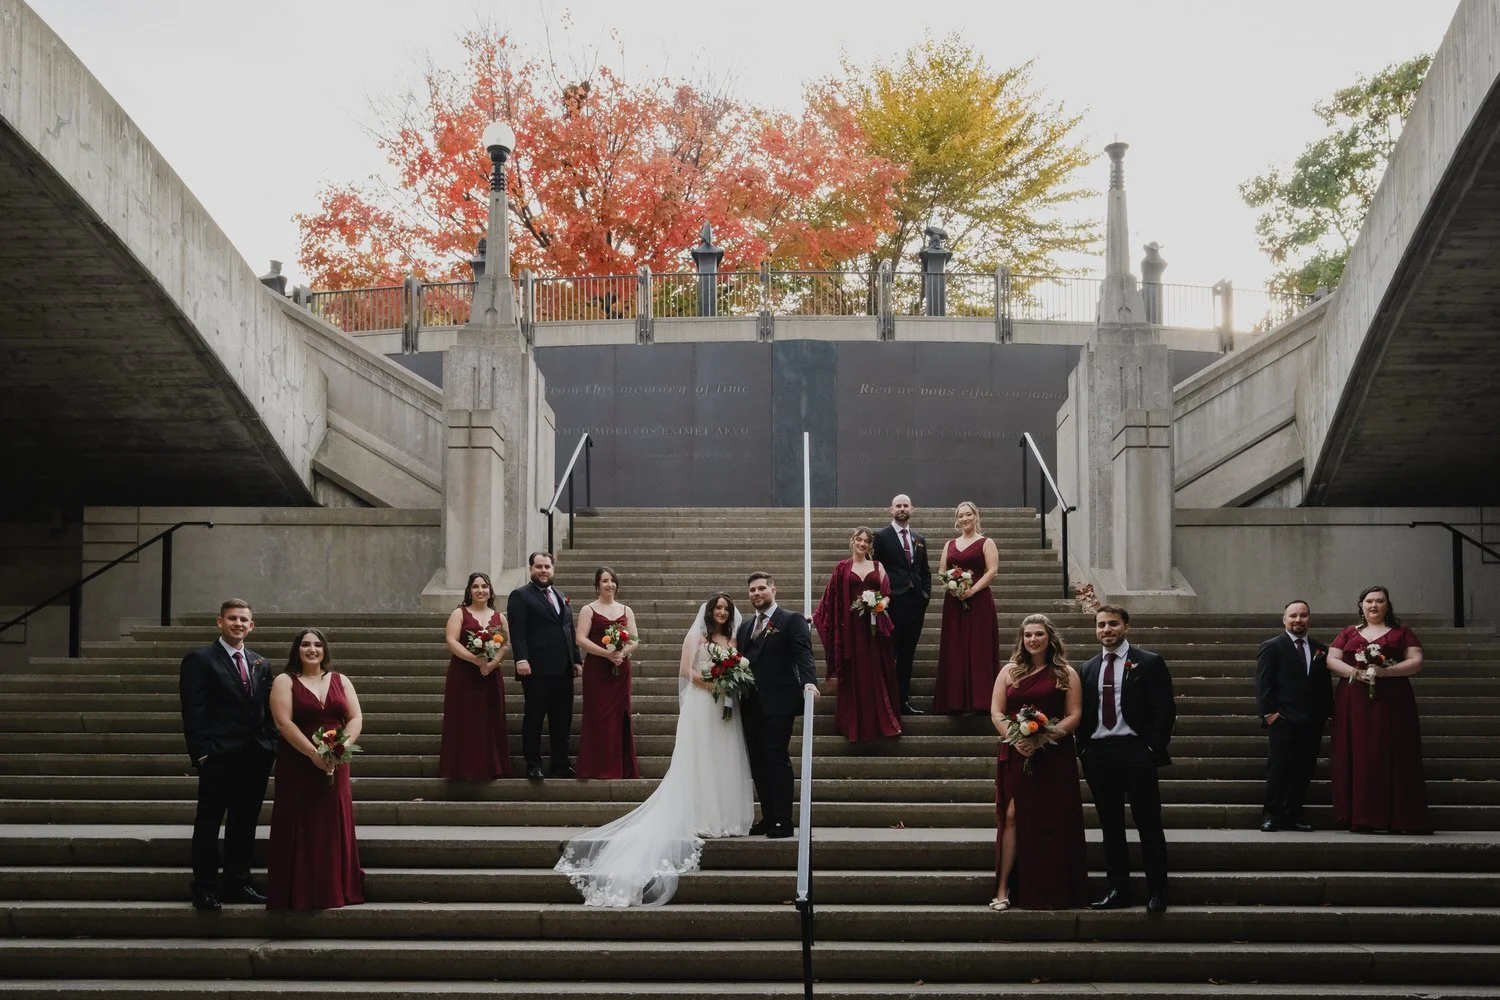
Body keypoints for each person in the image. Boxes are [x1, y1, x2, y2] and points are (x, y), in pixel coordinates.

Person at [556, 593, 754, 906]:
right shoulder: (698, 637)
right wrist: (712, 684)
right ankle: (702, 815)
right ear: (709, 612)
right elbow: (685, 671)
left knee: (724, 759)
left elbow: (738, 667)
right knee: (701, 759)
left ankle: (724, 816)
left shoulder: (732, 639)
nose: (721, 612)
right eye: (717, 608)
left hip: (725, 707)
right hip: (703, 705)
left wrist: (730, 682)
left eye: (725, 609)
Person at [178, 599, 277, 911]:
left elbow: (267, 711)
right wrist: (202, 754)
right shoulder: (200, 660)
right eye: (232, 618)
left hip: (255, 757)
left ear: (252, 626)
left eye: (243, 619)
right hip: (218, 757)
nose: (238, 623)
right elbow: (194, 710)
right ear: (219, 622)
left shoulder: (261, 662)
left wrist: (270, 746)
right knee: (208, 823)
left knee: (244, 823)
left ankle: (238, 882)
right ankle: (205, 888)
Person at [1077, 604, 1176, 913]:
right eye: (1101, 625)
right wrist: (1084, 750)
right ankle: (1118, 889)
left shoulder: (1148, 662)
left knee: (1148, 823)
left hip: (1136, 752)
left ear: (1126, 627)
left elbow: (1164, 710)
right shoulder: (1088, 668)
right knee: (1110, 826)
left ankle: (1157, 891)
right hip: (1099, 755)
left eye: (1113, 624)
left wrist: (1152, 749)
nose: (1107, 630)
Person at [989, 614, 1087, 911]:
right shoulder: (1009, 671)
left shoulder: (1065, 673)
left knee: (1052, 821)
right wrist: (1017, 738)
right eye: (1028, 634)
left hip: (1054, 755)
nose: (1033, 639)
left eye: (1039, 634)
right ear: (1022, 639)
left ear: (1049, 638)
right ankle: (1004, 888)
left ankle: (1055, 890)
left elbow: (1075, 715)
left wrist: (1043, 739)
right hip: (1015, 752)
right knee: (1011, 816)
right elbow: (996, 711)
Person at [266, 629, 365, 910]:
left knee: (333, 821)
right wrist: (313, 754)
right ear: (296, 649)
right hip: (298, 761)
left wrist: (340, 748)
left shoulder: (340, 680)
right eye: (306, 644)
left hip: (336, 758)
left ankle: (335, 887)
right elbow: (283, 723)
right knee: (302, 820)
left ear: (325, 650)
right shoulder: (284, 681)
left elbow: (355, 717)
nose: (312, 649)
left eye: (317, 645)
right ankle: (302, 891)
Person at [1327, 585, 1432, 834]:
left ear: (1387, 605)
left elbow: (1416, 661)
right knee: (1360, 751)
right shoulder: (1349, 632)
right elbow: (1332, 659)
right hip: (1355, 699)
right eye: (1369, 601)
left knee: (1394, 750)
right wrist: (1354, 671)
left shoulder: (1401, 632)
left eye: (1379, 601)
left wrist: (1385, 672)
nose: (1374, 605)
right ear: (1361, 605)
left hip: (1393, 699)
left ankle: (1401, 817)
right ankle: (1362, 816)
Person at [736, 572, 819, 838]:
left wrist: (810, 682)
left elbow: (803, 653)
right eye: (752, 590)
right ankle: (768, 816)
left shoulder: (791, 619)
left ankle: (784, 819)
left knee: (776, 757)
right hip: (750, 703)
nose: (756, 593)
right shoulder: (745, 627)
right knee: (758, 761)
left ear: (773, 590)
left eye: (761, 588)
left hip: (779, 702)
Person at [812, 526, 902, 743]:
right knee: (854, 673)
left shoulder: (877, 566)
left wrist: (880, 604)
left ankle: (883, 722)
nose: (862, 544)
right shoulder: (842, 568)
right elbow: (829, 598)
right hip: (850, 630)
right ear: (852, 541)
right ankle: (853, 725)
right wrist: (814, 616)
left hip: (874, 629)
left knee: (875, 670)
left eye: (866, 541)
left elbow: (888, 594)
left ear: (870, 545)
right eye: (858, 539)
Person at [1254, 600, 1331, 832]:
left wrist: (1328, 714)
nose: (1299, 620)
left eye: (1304, 615)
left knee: (1304, 769)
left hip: (1311, 720)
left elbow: (1324, 685)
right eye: (1293, 615)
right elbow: (1263, 682)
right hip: (1283, 718)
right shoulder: (1272, 646)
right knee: (1278, 768)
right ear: (1284, 619)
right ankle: (1271, 815)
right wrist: (1269, 713)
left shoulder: (1320, 649)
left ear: (1310, 619)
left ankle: (1294, 814)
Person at [508, 552, 584, 780]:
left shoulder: (560, 595)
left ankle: (561, 764)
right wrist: (521, 658)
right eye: (538, 566)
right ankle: (533, 764)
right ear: (531, 569)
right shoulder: (520, 596)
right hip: (536, 669)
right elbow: (517, 631)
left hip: (563, 669)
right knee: (534, 718)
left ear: (553, 569)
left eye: (547, 566)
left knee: (562, 719)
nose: (543, 570)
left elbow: (568, 629)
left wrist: (577, 659)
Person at [439, 572, 511, 779]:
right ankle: (462, 768)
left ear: (490, 591)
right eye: (476, 587)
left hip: (490, 675)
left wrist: (492, 663)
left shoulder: (500, 617)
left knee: (489, 720)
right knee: (465, 719)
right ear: (469, 591)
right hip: (463, 675)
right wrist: (475, 660)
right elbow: (452, 641)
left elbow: (505, 644)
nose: (481, 590)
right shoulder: (459, 613)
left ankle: (491, 767)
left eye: (484, 586)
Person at [933, 501, 1001, 714]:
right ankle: (954, 701)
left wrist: (972, 590)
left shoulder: (986, 542)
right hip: (954, 601)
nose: (964, 519)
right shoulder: (949, 544)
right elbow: (942, 570)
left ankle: (980, 701)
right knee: (955, 647)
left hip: (979, 601)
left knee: (978, 647)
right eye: (960, 516)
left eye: (968, 514)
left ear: (976, 515)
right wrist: (953, 587)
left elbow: (992, 571)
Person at [575, 567, 641, 780]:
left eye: (612, 580)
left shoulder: (626, 610)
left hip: (620, 669)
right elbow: (581, 639)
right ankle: (595, 767)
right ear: (597, 585)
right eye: (605, 581)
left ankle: (620, 767)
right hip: (597, 670)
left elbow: (634, 640)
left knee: (618, 716)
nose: (609, 584)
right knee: (598, 716)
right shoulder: (588, 610)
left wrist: (622, 652)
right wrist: (606, 653)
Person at [872, 494, 932, 715]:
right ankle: (885, 703)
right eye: (898, 505)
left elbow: (925, 571)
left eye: (906, 505)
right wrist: (880, 600)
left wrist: (926, 596)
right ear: (891, 509)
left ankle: (902, 701)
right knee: (889, 654)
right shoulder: (881, 537)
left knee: (907, 655)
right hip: (891, 604)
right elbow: (874, 569)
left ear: (912, 509)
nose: (902, 508)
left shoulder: (919, 538)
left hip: (915, 605)